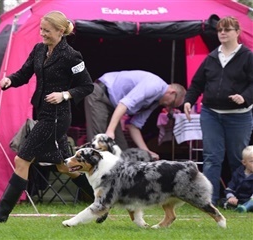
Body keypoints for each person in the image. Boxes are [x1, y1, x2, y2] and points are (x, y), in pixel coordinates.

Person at [0, 11, 94, 223]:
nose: (42, 34)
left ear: (60, 31)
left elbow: (87, 86)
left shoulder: (72, 56)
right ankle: (101, 200)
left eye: (47, 31)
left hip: (57, 117)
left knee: (21, 159)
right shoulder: (39, 50)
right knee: (62, 166)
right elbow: (24, 73)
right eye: (41, 29)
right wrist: (10, 80)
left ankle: (2, 211)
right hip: (43, 113)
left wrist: (65, 95)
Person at [184, 16, 253, 205]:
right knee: (211, 157)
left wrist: (245, 97)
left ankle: (242, 199)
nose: (222, 32)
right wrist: (188, 100)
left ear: (237, 33)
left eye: (227, 29)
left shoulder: (247, 56)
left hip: (239, 117)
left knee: (239, 159)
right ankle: (209, 200)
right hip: (211, 114)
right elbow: (197, 83)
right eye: (220, 30)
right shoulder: (212, 57)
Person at [84, 70, 186, 160]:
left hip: (113, 105)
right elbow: (124, 104)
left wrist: (147, 151)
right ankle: (90, 179)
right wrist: (110, 131)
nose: (168, 107)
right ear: (172, 92)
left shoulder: (156, 101)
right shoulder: (154, 85)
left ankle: (120, 179)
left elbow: (134, 126)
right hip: (100, 94)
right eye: (172, 104)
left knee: (121, 149)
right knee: (98, 142)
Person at [224, 145, 253, 212]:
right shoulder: (237, 173)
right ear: (244, 162)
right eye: (252, 161)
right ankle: (241, 207)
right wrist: (231, 197)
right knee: (223, 201)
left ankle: (247, 207)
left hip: (251, 199)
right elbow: (230, 188)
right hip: (239, 199)